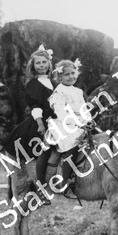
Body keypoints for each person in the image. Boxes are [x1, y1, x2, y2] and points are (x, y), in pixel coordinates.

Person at [2, 45, 55, 204]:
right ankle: (40, 187)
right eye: (38, 63)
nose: (41, 65)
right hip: (40, 121)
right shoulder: (33, 84)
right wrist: (40, 123)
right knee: (41, 150)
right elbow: (36, 107)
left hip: (55, 118)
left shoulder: (52, 82)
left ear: (48, 64)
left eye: (44, 62)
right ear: (33, 66)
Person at [43, 59, 90, 195]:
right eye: (67, 74)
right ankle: (65, 181)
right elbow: (61, 113)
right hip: (64, 125)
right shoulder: (59, 92)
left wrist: (88, 121)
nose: (71, 77)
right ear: (59, 77)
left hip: (80, 123)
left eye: (73, 73)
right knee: (72, 143)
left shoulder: (78, 91)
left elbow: (83, 110)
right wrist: (79, 123)